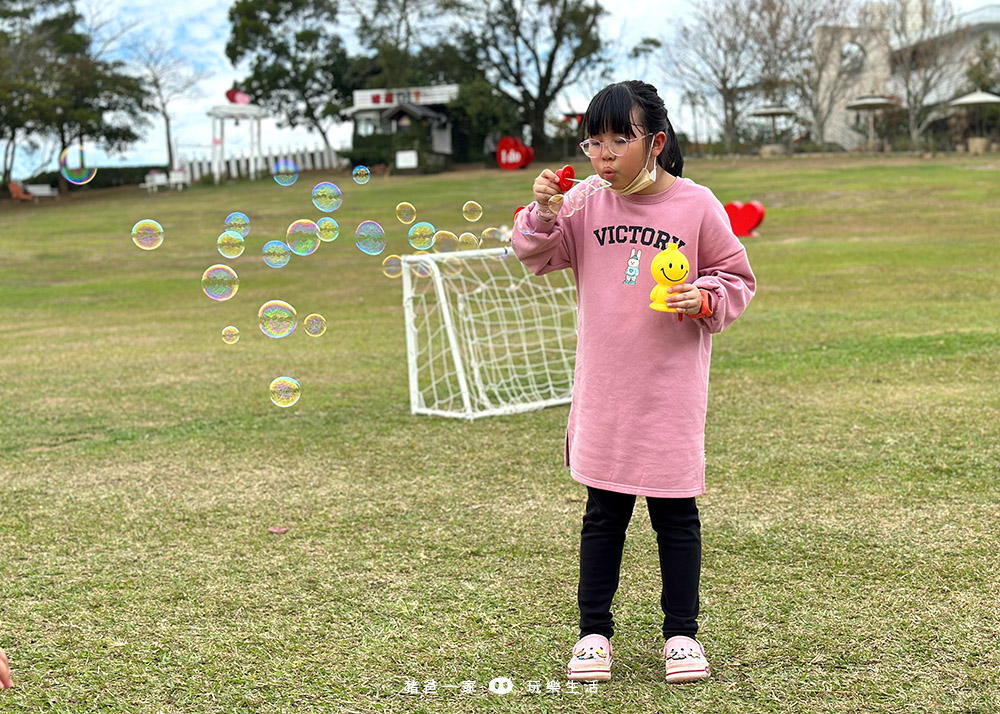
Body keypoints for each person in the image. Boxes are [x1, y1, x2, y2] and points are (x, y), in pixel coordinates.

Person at [511, 80, 756, 684]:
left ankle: (682, 635)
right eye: (594, 141)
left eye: (622, 139)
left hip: (670, 391)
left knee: (676, 517)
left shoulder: (697, 205)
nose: (605, 155)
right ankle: (593, 632)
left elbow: (737, 278)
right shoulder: (585, 202)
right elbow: (536, 252)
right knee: (604, 513)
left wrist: (703, 296)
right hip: (606, 390)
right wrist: (543, 210)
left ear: (656, 142)